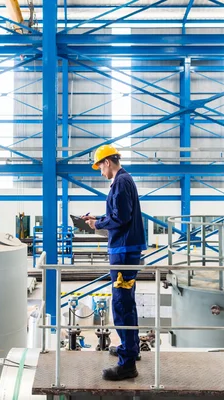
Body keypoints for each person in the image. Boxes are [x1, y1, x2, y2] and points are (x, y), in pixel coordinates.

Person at [82, 144, 146, 381]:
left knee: (121, 305)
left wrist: (98, 225)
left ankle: (127, 364)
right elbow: (120, 215)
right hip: (126, 248)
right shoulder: (124, 180)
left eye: (99, 167)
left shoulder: (120, 183)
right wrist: (98, 218)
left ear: (107, 162)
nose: (100, 172)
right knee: (126, 303)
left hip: (124, 251)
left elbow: (120, 218)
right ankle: (130, 349)